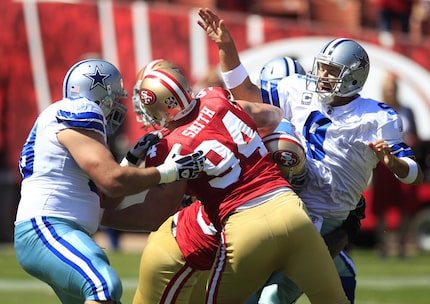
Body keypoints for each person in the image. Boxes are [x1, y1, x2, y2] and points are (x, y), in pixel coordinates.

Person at [197, 7, 424, 304]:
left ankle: (340, 270)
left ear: (354, 77)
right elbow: (246, 91)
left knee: (271, 299)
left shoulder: (376, 116)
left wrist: (393, 163)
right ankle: (340, 270)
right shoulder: (298, 89)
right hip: (285, 205)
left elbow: (414, 173)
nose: (322, 75)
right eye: (321, 67)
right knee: (243, 294)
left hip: (326, 219)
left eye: (331, 71)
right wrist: (226, 46)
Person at [123, 66, 349, 303]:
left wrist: (129, 163)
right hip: (292, 210)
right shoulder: (215, 98)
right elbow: (274, 116)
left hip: (244, 227)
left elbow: (154, 209)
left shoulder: (167, 149)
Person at [13, 58, 205, 304]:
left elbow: (107, 200)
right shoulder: (81, 109)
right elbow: (112, 181)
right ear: (99, 93)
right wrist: (172, 171)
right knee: (103, 285)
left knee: (107, 296)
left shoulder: (65, 119)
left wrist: (131, 160)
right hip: (47, 227)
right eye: (113, 98)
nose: (115, 106)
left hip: (64, 229)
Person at [372, 72, 420, 259]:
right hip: (384, 165)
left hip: (404, 161)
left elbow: (415, 134)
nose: (390, 92)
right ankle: (382, 246)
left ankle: (402, 245)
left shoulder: (407, 111)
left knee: (406, 205)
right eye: (388, 89)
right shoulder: (377, 110)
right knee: (381, 206)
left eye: (393, 89)